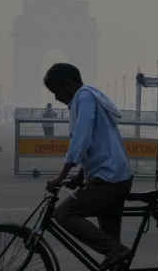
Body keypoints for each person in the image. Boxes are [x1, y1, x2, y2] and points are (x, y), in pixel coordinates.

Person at [43, 63, 133, 271]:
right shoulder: (90, 96)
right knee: (112, 243)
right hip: (117, 175)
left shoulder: (83, 97)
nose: (56, 98)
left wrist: (62, 175)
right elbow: (96, 143)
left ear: (68, 83)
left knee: (63, 214)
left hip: (108, 177)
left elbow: (81, 139)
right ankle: (116, 254)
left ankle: (115, 251)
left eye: (56, 91)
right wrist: (79, 175)